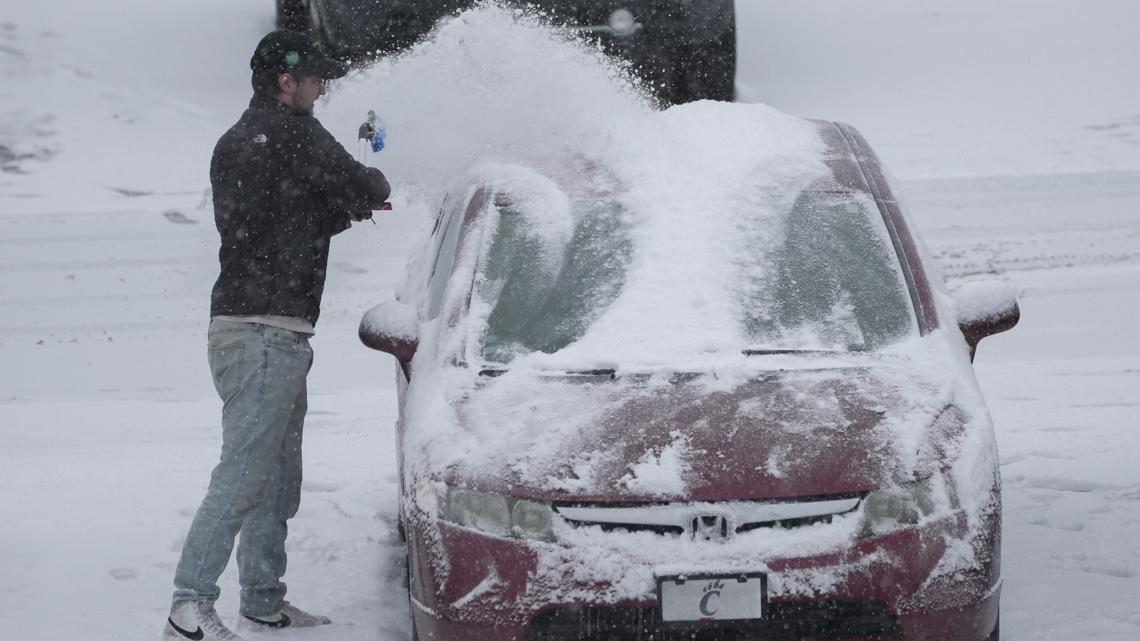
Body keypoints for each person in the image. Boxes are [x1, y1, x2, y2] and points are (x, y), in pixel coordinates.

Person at [162, 30, 391, 641]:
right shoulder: (293, 132)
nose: (323, 90)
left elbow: (280, 224)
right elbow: (364, 185)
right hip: (264, 334)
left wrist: (343, 206)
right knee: (242, 475)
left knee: (275, 477)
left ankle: (263, 599)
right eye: (316, 79)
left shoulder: (240, 141)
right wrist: (371, 185)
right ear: (286, 81)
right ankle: (189, 605)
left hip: (260, 327)